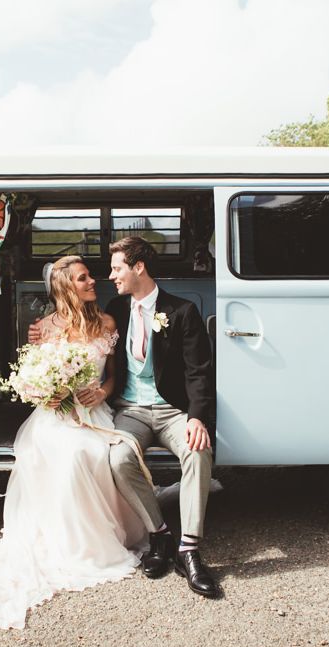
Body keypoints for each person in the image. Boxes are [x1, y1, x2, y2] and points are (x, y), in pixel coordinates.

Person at [0, 256, 148, 631]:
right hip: (55, 416)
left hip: (92, 413)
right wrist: (44, 393)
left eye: (90, 276)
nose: (93, 281)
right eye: (84, 278)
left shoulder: (107, 323)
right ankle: (69, 541)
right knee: (63, 451)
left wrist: (102, 392)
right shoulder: (43, 329)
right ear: (67, 288)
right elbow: (32, 379)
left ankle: (96, 538)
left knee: (91, 451)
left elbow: (114, 375)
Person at [105, 236, 219, 598]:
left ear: (139, 267)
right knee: (119, 458)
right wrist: (45, 329)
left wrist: (197, 417)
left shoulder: (182, 311)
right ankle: (160, 536)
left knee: (198, 450)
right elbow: (80, 327)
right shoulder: (116, 308)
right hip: (131, 409)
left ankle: (189, 548)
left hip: (173, 410)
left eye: (117, 267)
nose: (112, 276)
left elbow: (199, 371)